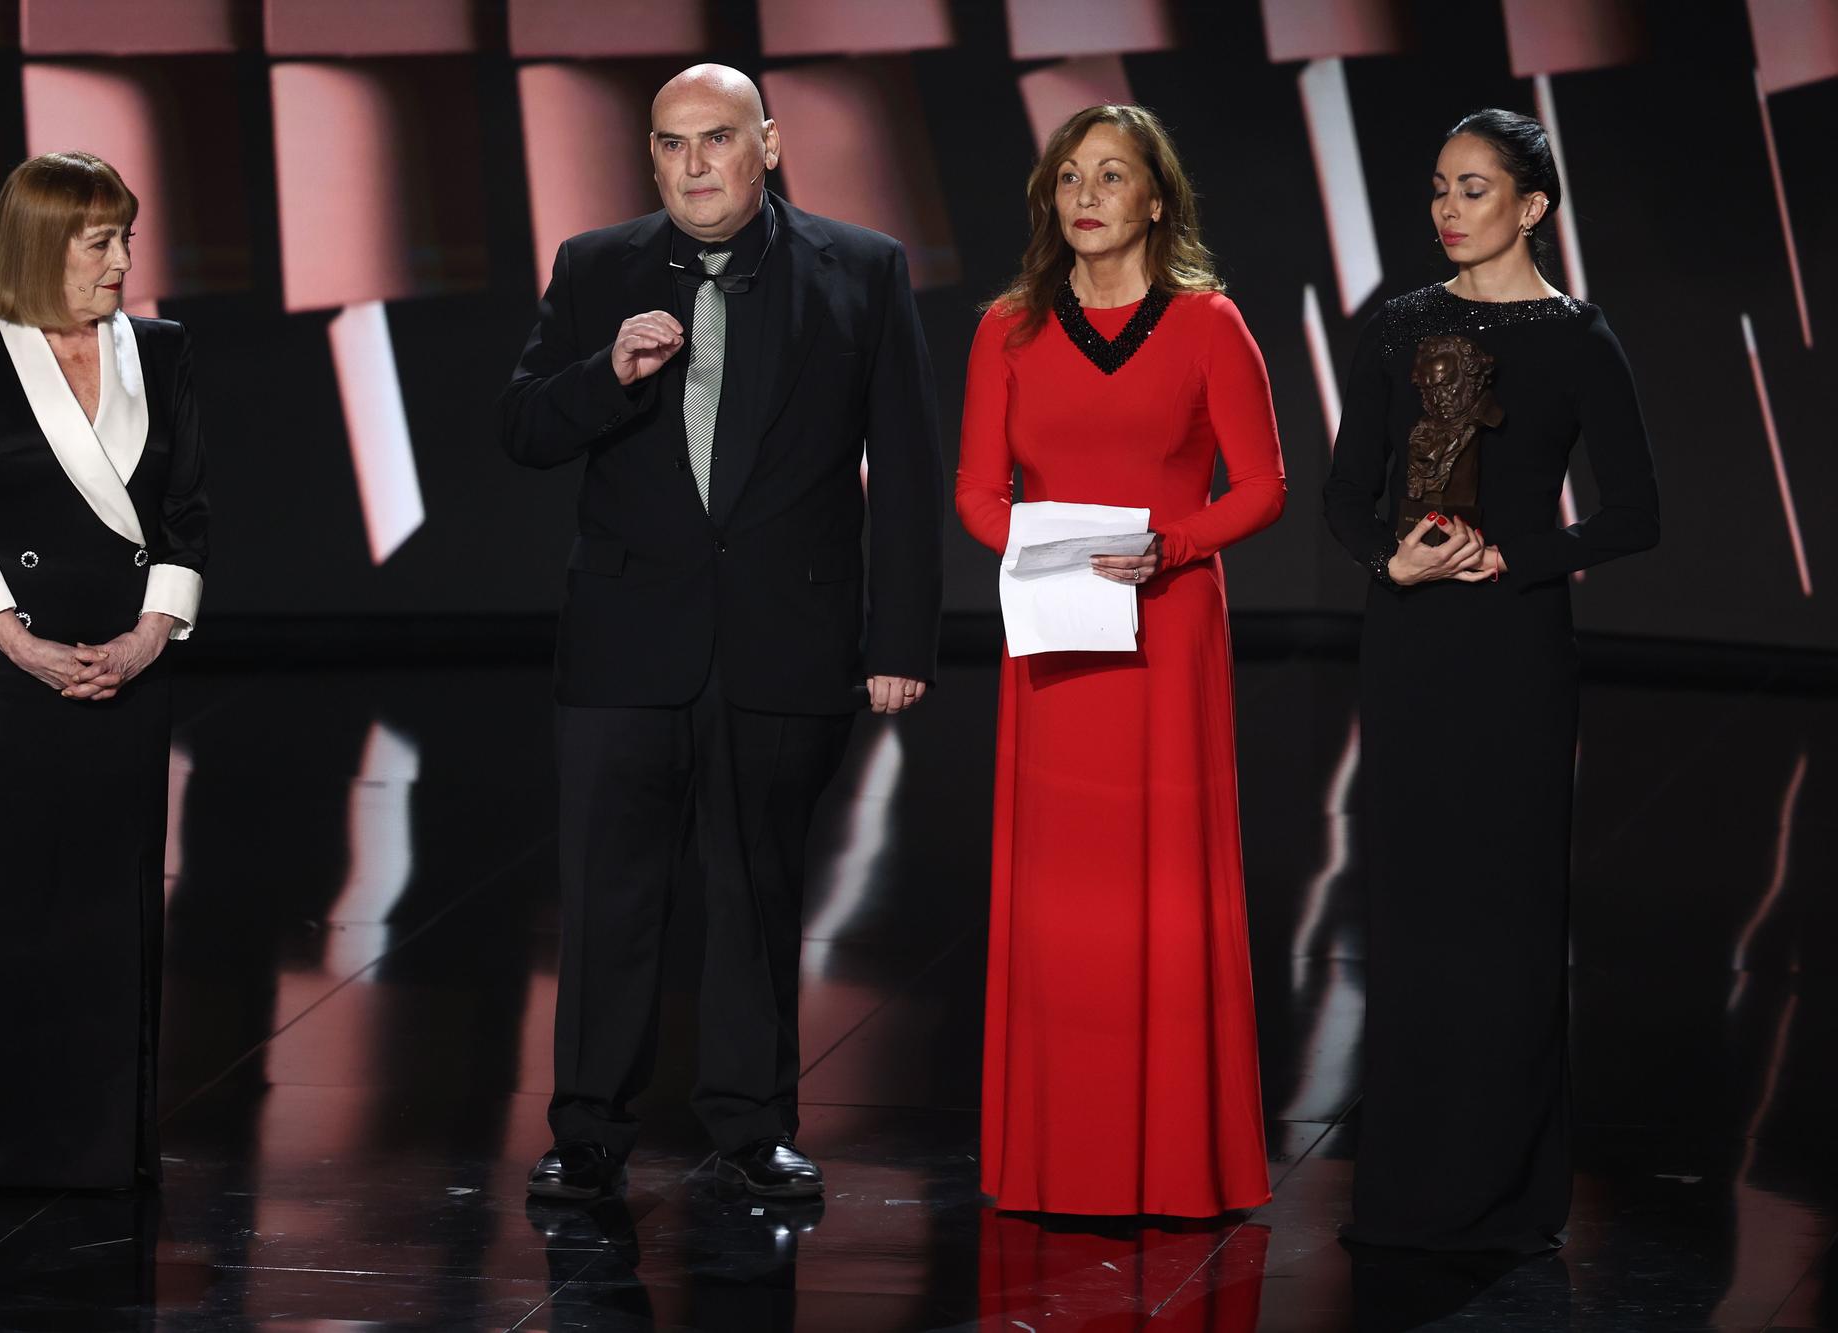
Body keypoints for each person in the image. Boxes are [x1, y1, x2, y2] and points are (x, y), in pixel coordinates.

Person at [503, 64, 942, 1199]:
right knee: (608, 898)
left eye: (717, 139)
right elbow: (523, 429)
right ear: (649, 157)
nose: (693, 164)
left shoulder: (860, 268)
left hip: (781, 635)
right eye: (670, 143)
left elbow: (900, 465)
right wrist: (608, 371)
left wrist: (896, 638)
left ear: (770, 144)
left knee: (756, 889)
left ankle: (752, 1126)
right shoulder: (597, 265)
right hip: (625, 637)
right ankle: (588, 1129)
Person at [1323, 109, 1658, 1251]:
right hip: (1409, 641)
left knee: (1506, 908)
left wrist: (1522, 553)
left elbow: (1633, 515)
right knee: (1412, 906)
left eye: (1473, 190)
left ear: (1531, 208)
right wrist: (1390, 557)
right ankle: (1409, 1183)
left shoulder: (1575, 337)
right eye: (1437, 189)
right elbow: (1340, 495)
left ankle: (1505, 1188)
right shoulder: (1396, 325)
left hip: (1514, 648)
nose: (1447, 211)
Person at [956, 105, 1284, 1216]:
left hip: (1167, 626)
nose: (1085, 195)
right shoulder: (1006, 327)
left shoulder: (1208, 325)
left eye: (1111, 175)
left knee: (1164, 886)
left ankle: (1177, 1163)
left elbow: (1260, 485)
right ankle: (1059, 1157)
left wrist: (1169, 546)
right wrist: (1041, 551)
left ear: (1154, 199)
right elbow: (973, 489)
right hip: (1054, 632)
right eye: (1067, 179)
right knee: (1059, 894)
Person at [0, 151, 209, 1190]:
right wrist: (19, 641)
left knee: (106, 915)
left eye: (126, 236)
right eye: (102, 241)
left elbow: (186, 518)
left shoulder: (161, 351)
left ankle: (97, 1152)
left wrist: (144, 636)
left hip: (123, 672)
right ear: (44, 245)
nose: (126, 260)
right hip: (5, 676)